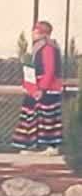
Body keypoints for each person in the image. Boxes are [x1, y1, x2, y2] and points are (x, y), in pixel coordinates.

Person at [14, 19, 63, 152]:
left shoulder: (48, 47)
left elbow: (50, 70)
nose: (33, 33)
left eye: (36, 30)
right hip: (38, 87)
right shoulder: (39, 47)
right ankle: (30, 144)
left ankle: (51, 146)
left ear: (43, 33)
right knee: (32, 114)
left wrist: (42, 88)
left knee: (48, 116)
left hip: (47, 88)